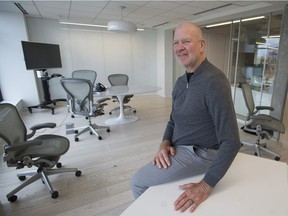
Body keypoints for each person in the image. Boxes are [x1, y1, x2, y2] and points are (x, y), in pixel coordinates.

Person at [131, 22, 241, 213]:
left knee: (138, 182)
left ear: (202, 45)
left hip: (201, 152)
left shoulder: (214, 81)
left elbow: (232, 141)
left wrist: (206, 185)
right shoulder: (181, 82)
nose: (179, 47)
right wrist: (164, 143)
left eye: (186, 41)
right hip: (179, 147)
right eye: (175, 43)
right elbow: (173, 120)